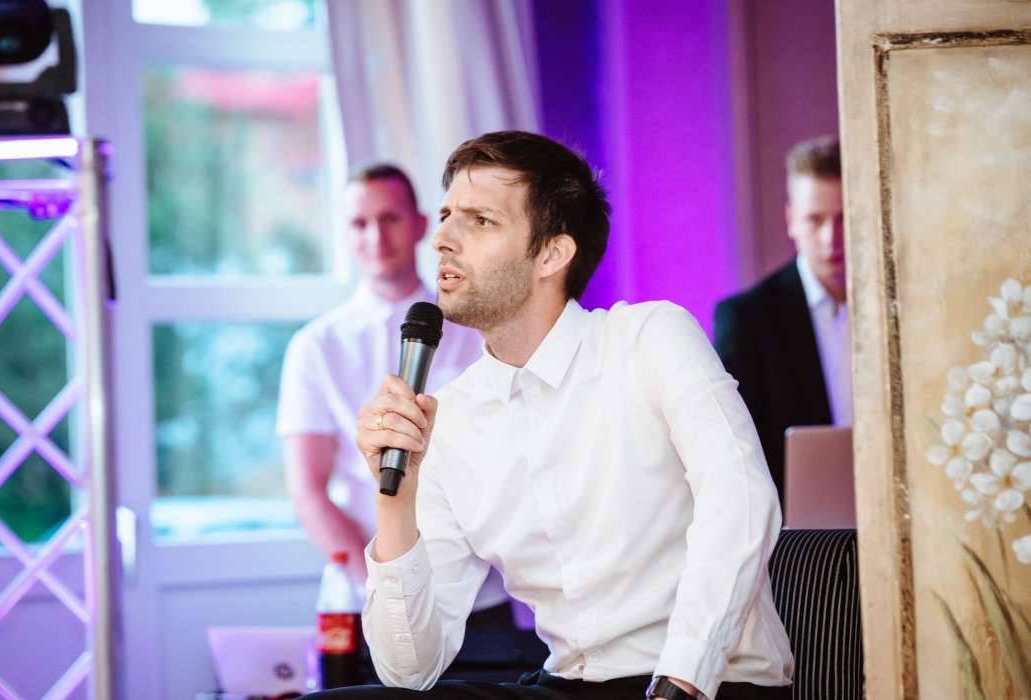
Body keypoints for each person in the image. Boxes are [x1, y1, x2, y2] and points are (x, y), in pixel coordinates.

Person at [308, 132, 792, 699]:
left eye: (480, 220)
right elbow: (409, 670)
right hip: (565, 684)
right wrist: (396, 498)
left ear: (552, 254)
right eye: (445, 217)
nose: (441, 239)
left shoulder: (649, 338)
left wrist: (682, 678)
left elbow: (741, 499)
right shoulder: (451, 415)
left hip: (706, 681)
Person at [276, 163, 507, 618]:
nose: (376, 236)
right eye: (360, 223)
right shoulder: (316, 346)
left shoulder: (477, 330)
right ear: (345, 234)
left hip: (477, 597)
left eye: (390, 218)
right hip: (362, 599)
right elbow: (307, 490)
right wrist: (382, 586)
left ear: (420, 225)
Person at [713, 135, 849, 502]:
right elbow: (736, 454)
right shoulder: (748, 319)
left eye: (843, 218)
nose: (831, 238)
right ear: (791, 219)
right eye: (815, 220)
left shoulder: (902, 308)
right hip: (794, 528)